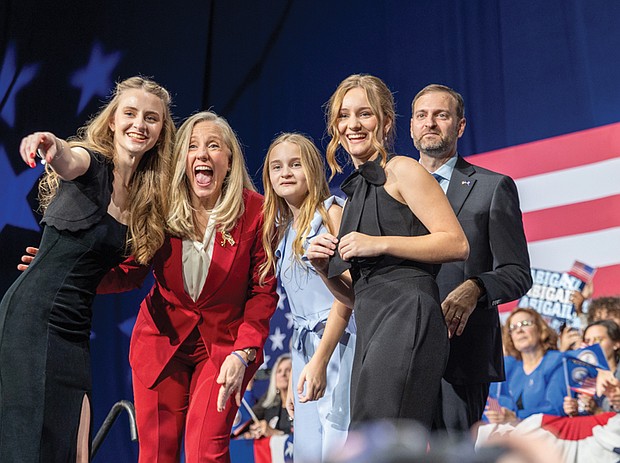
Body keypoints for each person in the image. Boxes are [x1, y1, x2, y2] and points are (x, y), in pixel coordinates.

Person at [0, 76, 175, 462]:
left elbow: (125, 273)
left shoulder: (147, 198)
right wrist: (50, 144)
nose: (139, 125)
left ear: (162, 131)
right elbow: (68, 158)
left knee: (76, 447)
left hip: (74, 328)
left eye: (151, 118)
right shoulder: (92, 164)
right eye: (129, 113)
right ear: (112, 120)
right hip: (33, 320)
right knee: (32, 444)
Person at [96, 111, 278, 462]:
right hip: (162, 344)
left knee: (204, 453)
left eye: (213, 146)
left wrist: (244, 353)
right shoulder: (161, 206)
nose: (202, 154)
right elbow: (132, 271)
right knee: (157, 454)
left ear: (229, 160)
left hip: (224, 348)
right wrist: (71, 274)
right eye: (192, 147)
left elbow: (262, 292)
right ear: (182, 159)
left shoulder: (255, 212)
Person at [306, 74, 469, 431]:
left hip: (408, 315)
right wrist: (323, 269)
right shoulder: (352, 199)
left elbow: (455, 243)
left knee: (383, 439)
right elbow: (353, 295)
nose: (353, 124)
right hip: (372, 325)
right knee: (370, 440)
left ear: (386, 122)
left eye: (364, 114)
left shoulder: (402, 170)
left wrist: (377, 242)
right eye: (344, 116)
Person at [410, 84, 532, 434]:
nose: (430, 123)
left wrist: (476, 287)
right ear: (412, 127)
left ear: (460, 126)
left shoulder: (492, 188)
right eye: (422, 115)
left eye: (441, 115)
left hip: (462, 353)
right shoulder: (391, 190)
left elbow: (516, 272)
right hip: (401, 349)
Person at [260, 132, 355, 461]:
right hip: (305, 351)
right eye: (276, 167)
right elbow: (299, 312)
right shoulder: (283, 231)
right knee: (308, 451)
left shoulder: (331, 214)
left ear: (312, 169)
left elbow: (348, 296)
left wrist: (319, 362)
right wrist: (300, 366)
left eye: (295, 164)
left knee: (337, 446)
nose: (285, 173)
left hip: (339, 346)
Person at [485, 308, 566, 423]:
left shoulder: (557, 361)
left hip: (544, 433)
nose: (519, 330)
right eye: (513, 328)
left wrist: (516, 417)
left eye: (525, 324)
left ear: (540, 330)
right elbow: (491, 399)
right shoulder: (508, 365)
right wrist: (498, 414)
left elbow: (555, 408)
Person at [563, 319, 620, 416]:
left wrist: (598, 410)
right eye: (587, 341)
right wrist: (574, 410)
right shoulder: (580, 376)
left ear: (616, 344)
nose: (591, 345)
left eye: (598, 340)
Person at [245, 353, 293, 438]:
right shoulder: (269, 402)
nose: (283, 374)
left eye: (288, 370)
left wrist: (274, 433)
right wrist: (252, 431)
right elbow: (248, 419)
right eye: (279, 371)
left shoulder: (303, 405)